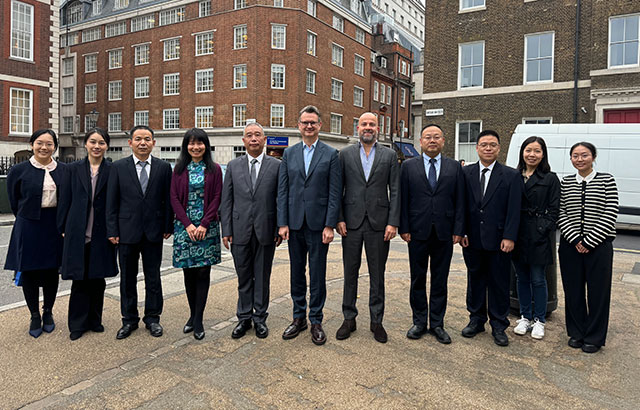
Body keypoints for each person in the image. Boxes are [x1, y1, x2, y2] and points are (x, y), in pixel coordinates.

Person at [277, 105, 342, 345]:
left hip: (318, 225)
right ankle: (298, 318)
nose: (309, 126)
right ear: (299, 125)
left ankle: (316, 320)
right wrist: (282, 223)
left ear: (320, 126)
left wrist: (329, 225)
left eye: (313, 122)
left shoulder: (331, 154)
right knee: (296, 274)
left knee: (317, 274)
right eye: (305, 122)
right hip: (294, 224)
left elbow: (335, 193)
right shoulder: (289, 154)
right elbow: (282, 190)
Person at [335, 112, 400, 344]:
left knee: (377, 275)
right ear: (358, 127)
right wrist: (339, 219)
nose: (368, 127)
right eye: (364, 124)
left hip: (379, 224)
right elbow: (338, 189)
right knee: (349, 273)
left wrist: (393, 222)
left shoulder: (390, 155)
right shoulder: (344, 154)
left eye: (372, 124)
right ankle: (349, 318)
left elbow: (395, 189)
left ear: (377, 128)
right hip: (350, 224)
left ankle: (376, 321)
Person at [399, 124, 464, 345]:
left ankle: (437, 323)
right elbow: (403, 200)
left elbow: (460, 202)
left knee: (440, 280)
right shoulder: (408, 166)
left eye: (437, 137)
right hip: (416, 232)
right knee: (418, 278)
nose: (432, 140)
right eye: (428, 137)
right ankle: (419, 322)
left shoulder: (455, 167)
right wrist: (404, 228)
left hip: (444, 233)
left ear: (444, 141)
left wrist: (458, 229)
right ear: (421, 141)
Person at [106, 125, 173, 339]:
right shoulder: (118, 167)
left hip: (154, 232)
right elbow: (112, 202)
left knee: (153, 277)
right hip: (126, 232)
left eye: (147, 139)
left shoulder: (163, 168)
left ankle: (153, 318)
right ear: (130, 143)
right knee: (128, 278)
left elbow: (167, 200)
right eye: (138, 139)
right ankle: (129, 320)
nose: (142, 143)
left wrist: (167, 225)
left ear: (154, 143)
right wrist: (112, 230)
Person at [460, 130, 522, 347]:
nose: (488, 148)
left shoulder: (511, 175)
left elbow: (515, 210)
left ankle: (498, 324)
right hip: (472, 239)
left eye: (492, 145)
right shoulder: (465, 173)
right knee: (475, 281)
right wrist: (462, 232)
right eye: (484, 144)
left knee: (499, 283)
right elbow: (461, 206)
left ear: (499, 148)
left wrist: (509, 236)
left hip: (499, 241)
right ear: (477, 148)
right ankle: (476, 320)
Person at [221, 122, 281, 339]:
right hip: (239, 231)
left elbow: (279, 199)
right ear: (243, 140)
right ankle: (244, 318)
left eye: (258, 135)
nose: (254, 138)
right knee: (244, 277)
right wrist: (226, 229)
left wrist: (278, 227)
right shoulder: (233, 166)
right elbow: (226, 200)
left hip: (266, 230)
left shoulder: (276, 166)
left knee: (262, 277)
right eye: (249, 135)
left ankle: (260, 319)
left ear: (264, 140)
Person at [558, 142, 618, 354]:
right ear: (571, 158)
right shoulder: (565, 182)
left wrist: (590, 241)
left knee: (598, 293)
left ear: (593, 156)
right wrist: (575, 239)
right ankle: (577, 332)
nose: (580, 159)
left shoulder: (606, 180)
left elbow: (610, 212)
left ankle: (594, 336)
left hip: (599, 246)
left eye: (584, 155)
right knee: (573, 290)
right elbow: (561, 211)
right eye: (575, 155)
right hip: (570, 245)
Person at [5, 129, 66, 338]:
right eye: (40, 143)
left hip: (54, 225)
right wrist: (26, 216)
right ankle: (33, 315)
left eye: (49, 144)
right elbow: (14, 201)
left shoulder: (63, 170)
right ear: (32, 144)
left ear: (55, 147)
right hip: (29, 224)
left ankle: (48, 311)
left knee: (51, 272)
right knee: (29, 272)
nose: (44, 147)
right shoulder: (18, 170)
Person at [58, 128, 118, 341]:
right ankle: (77, 324)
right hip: (78, 231)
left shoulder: (112, 170)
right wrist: (63, 227)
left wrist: (115, 230)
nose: (96, 146)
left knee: (98, 279)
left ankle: (95, 320)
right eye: (93, 142)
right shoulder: (72, 169)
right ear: (86, 144)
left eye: (101, 143)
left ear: (106, 146)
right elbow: (64, 199)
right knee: (79, 279)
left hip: (102, 232)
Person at [170, 128, 222, 340]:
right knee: (188, 272)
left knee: (203, 273)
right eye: (191, 143)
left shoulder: (215, 169)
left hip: (206, 228)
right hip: (185, 228)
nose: (196, 147)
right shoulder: (179, 169)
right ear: (186, 146)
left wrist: (203, 224)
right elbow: (173, 197)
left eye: (200, 143)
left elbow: (217, 197)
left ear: (206, 145)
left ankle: (198, 319)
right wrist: (188, 224)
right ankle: (192, 315)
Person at [511, 137, 560, 340]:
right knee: (521, 278)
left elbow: (555, 210)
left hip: (539, 235)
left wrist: (542, 227)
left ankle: (540, 320)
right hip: (517, 233)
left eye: (537, 151)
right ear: (522, 152)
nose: (532, 154)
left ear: (543, 154)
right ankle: (525, 316)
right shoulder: (514, 175)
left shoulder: (550, 178)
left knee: (538, 279)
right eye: (528, 150)